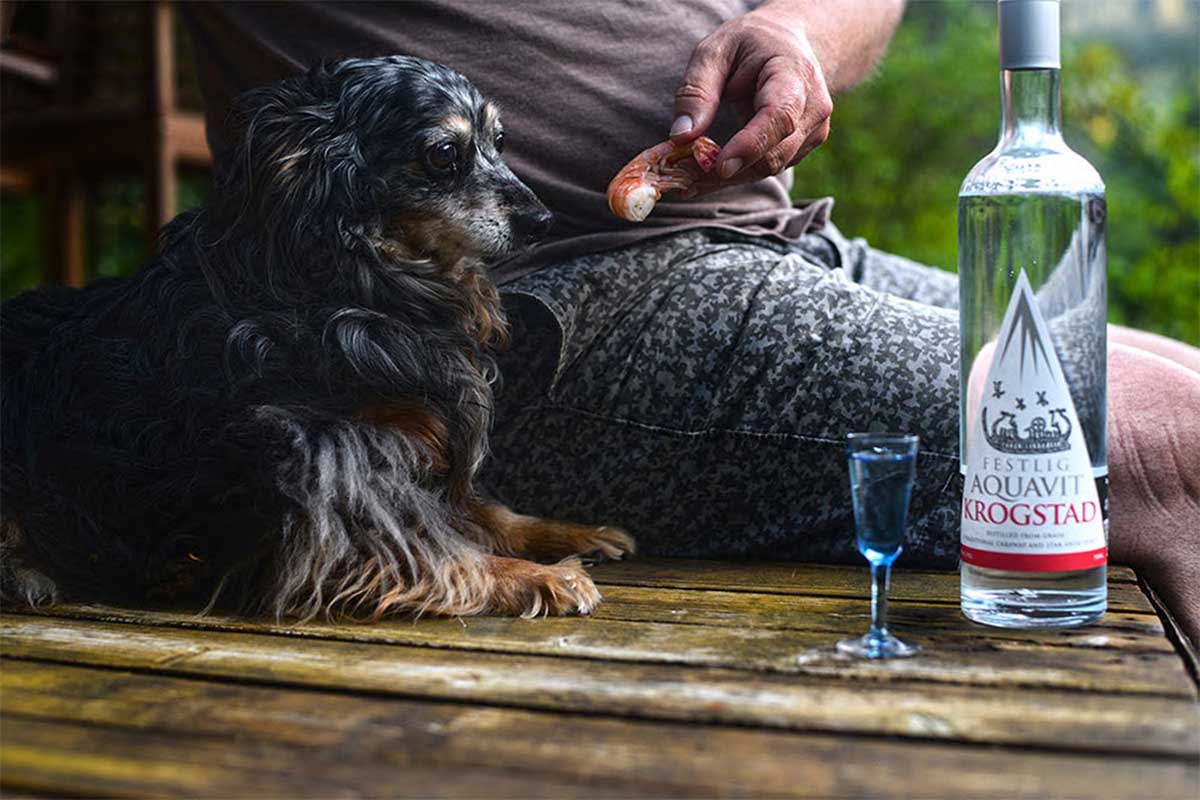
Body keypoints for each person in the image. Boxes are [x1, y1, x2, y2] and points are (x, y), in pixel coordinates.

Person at [179, 1, 1199, 644]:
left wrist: (799, 32)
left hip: (782, 243)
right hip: (505, 316)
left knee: (1187, 390)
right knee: (1171, 446)